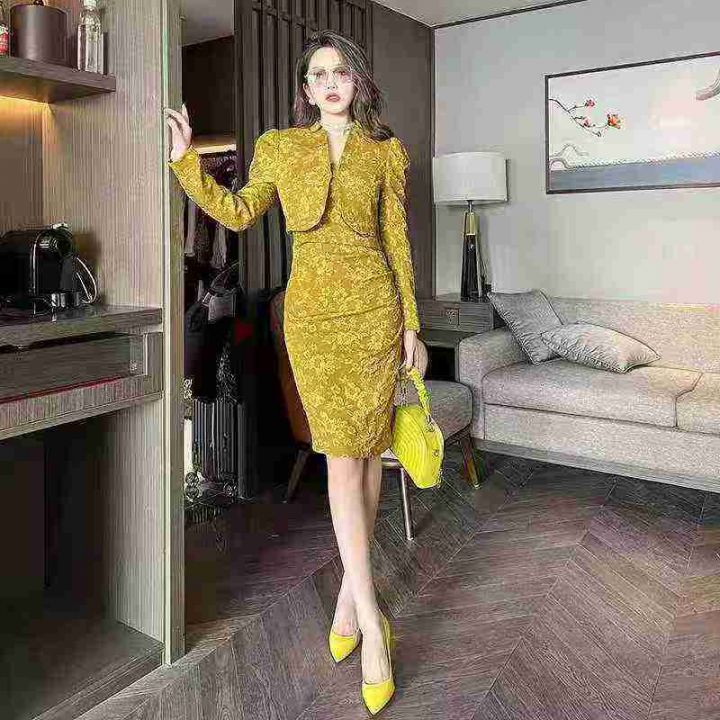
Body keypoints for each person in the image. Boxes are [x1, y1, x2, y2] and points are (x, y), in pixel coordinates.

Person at [165, 28, 421, 715]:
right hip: (313, 325)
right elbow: (238, 212)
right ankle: (374, 625)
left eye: (342, 72)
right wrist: (188, 164)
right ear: (306, 90)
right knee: (341, 460)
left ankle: (349, 604)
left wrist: (411, 326)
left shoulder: (386, 152)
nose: (331, 83)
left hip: (375, 319)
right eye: (319, 74)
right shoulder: (281, 147)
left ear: (356, 83)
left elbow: (397, 243)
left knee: (367, 455)